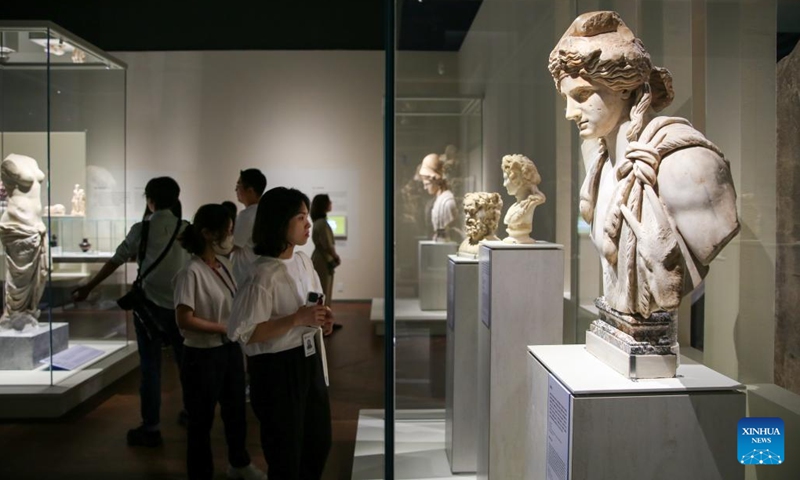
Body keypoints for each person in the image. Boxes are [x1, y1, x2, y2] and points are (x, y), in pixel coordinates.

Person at [548, 11, 740, 318]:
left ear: (623, 87)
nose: (570, 113)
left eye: (582, 95)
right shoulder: (597, 162)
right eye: (566, 99)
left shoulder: (687, 165)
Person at [72, 176, 190, 447]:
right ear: (176, 198)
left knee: (150, 368)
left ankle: (151, 427)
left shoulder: (141, 229)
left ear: (150, 200)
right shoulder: (186, 229)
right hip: (181, 307)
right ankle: (191, 414)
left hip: (148, 307)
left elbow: (116, 259)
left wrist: (89, 286)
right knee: (186, 363)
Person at [228, 187, 334, 480]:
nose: (308, 224)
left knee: (318, 443)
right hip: (277, 370)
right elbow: (244, 333)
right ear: (279, 222)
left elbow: (314, 304)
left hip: (309, 360)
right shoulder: (262, 274)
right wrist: (296, 319)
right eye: (300, 217)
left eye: (307, 216)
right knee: (286, 454)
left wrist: (322, 318)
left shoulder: (303, 262)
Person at [174, 204, 265, 480]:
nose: (230, 238)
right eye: (227, 231)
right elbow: (184, 319)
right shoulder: (191, 272)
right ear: (208, 233)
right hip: (202, 356)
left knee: (236, 412)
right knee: (200, 420)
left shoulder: (223, 265)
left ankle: (239, 463)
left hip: (228, 351)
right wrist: (223, 328)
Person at [231, 169, 267, 284]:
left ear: (250, 190)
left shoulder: (246, 215)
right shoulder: (264, 212)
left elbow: (232, 245)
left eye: (238, 185)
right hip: (257, 270)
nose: (236, 190)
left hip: (244, 272)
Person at [310, 194, 340, 308]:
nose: (331, 203)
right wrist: (335, 256)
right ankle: (322, 316)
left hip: (321, 258)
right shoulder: (322, 223)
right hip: (323, 260)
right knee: (323, 290)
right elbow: (327, 244)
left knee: (323, 290)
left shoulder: (319, 222)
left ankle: (323, 315)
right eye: (329, 201)